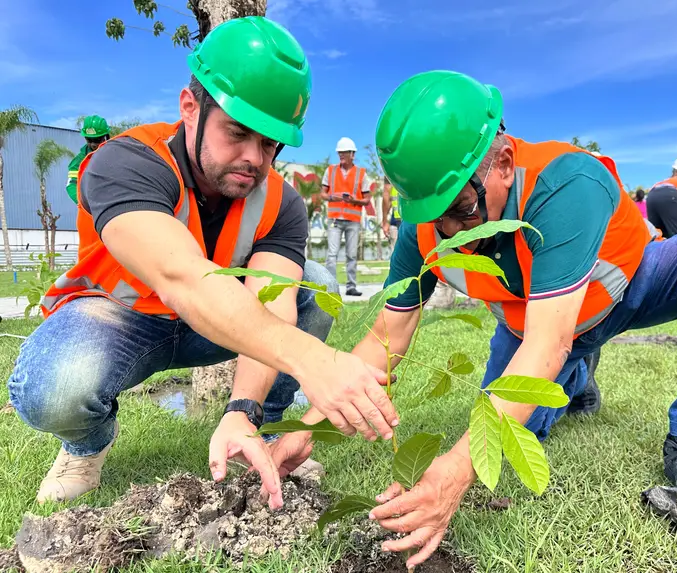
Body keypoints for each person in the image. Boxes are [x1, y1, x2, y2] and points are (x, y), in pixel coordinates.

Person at [272, 70, 677, 568]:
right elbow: (388, 334)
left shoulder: (565, 182)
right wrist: (308, 424)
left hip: (629, 288)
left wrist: (453, 471)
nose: (454, 231)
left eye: (463, 207)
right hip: (535, 330)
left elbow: (548, 342)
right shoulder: (424, 227)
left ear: (504, 162)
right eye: (433, 214)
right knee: (520, 432)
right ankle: (576, 381)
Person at [8, 16, 397, 505]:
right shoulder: (126, 163)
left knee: (313, 287)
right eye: (238, 132)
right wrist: (315, 362)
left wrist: (242, 408)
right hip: (121, 321)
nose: (255, 158)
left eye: (270, 144)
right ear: (190, 108)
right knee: (53, 386)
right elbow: (182, 278)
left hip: (213, 328)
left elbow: (274, 303)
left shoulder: (281, 200)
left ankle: (268, 426)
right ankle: (85, 447)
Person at [320, 137, 370, 297]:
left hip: (353, 221)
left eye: (344, 153)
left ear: (352, 154)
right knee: (331, 254)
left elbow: (367, 199)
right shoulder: (330, 171)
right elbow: (322, 193)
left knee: (352, 255)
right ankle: (331, 287)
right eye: (339, 153)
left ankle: (351, 286)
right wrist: (331, 197)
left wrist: (354, 200)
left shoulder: (361, 173)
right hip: (335, 219)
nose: (341, 155)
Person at [67, 115, 111, 204]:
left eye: (97, 139)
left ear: (105, 136)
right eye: (89, 140)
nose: (93, 144)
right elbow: (71, 184)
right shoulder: (80, 160)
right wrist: (85, 204)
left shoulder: (115, 153)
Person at [381, 178, 402, 249]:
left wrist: (385, 221)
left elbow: (386, 196)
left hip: (398, 217)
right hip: (414, 217)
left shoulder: (390, 168)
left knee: (398, 253)